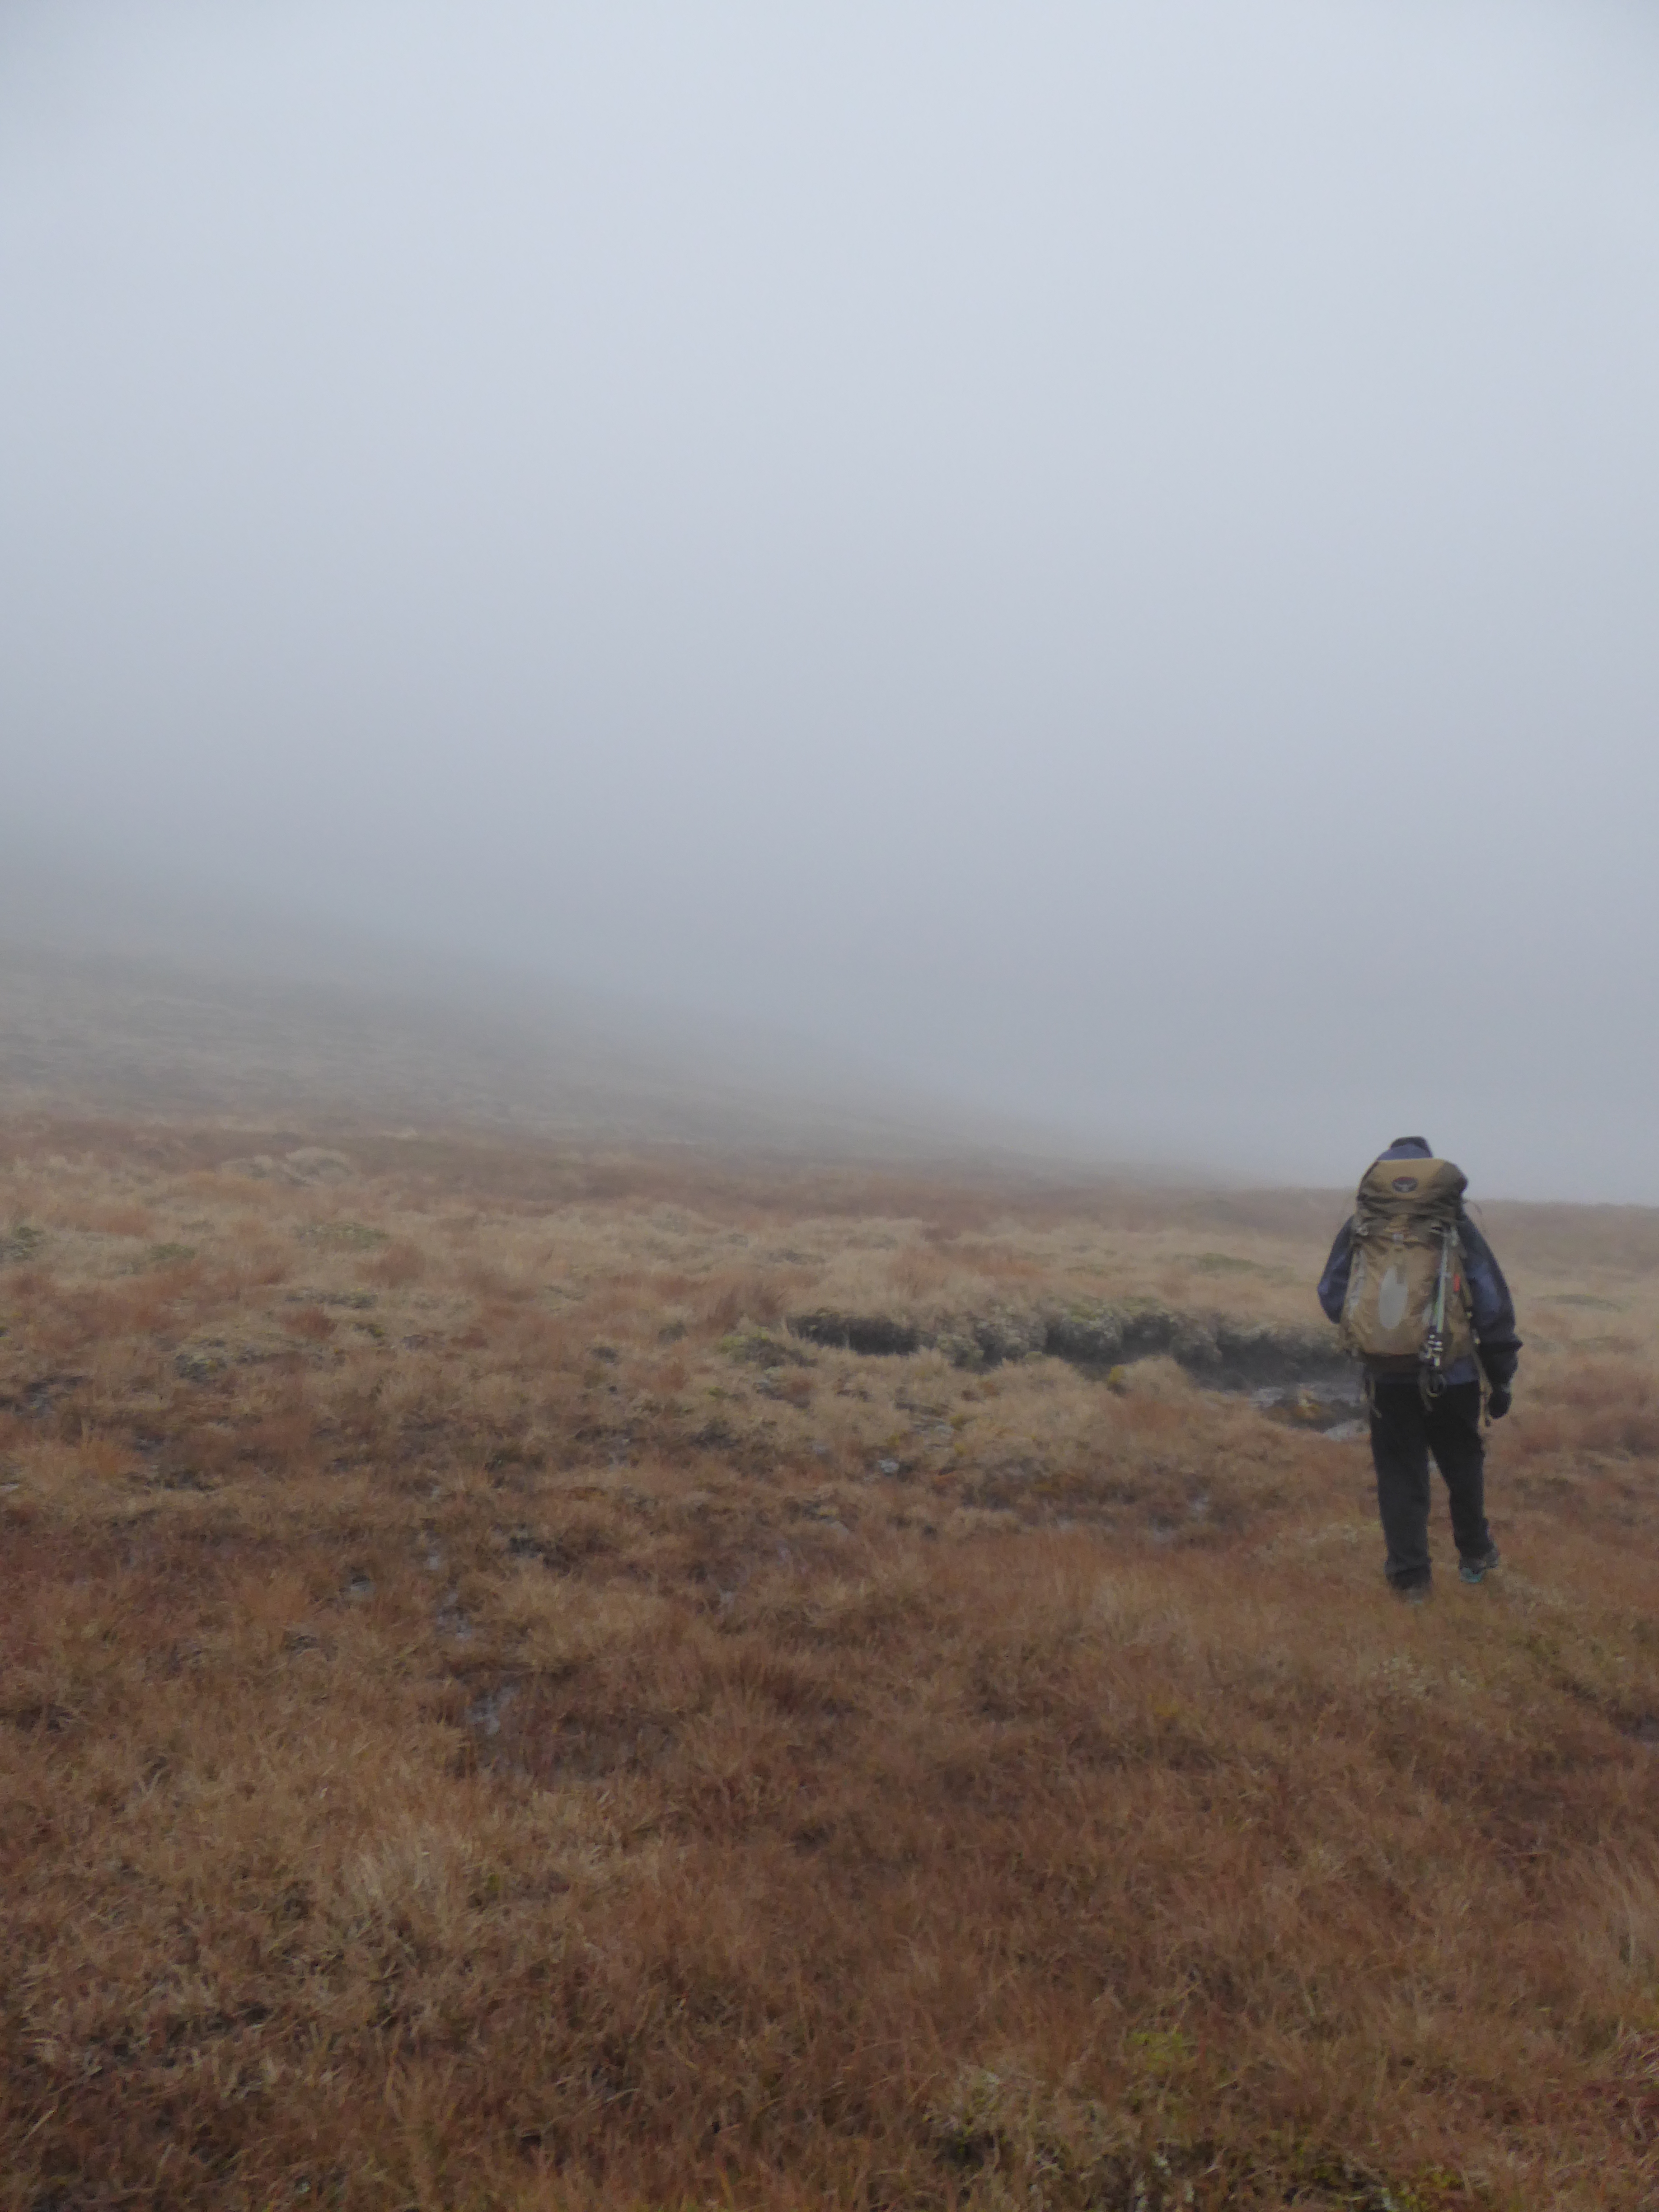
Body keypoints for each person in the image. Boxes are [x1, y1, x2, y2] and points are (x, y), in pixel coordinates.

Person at [1318, 1137, 1521, 1599]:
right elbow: (1492, 1307)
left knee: (1400, 1473)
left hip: (1386, 1377)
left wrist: (1381, 1330)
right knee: (1462, 1463)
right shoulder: (1453, 1223)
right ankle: (1474, 1555)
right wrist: (1501, 1377)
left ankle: (1411, 1583)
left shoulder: (1364, 1223)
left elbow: (1332, 1297)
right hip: (1454, 1374)